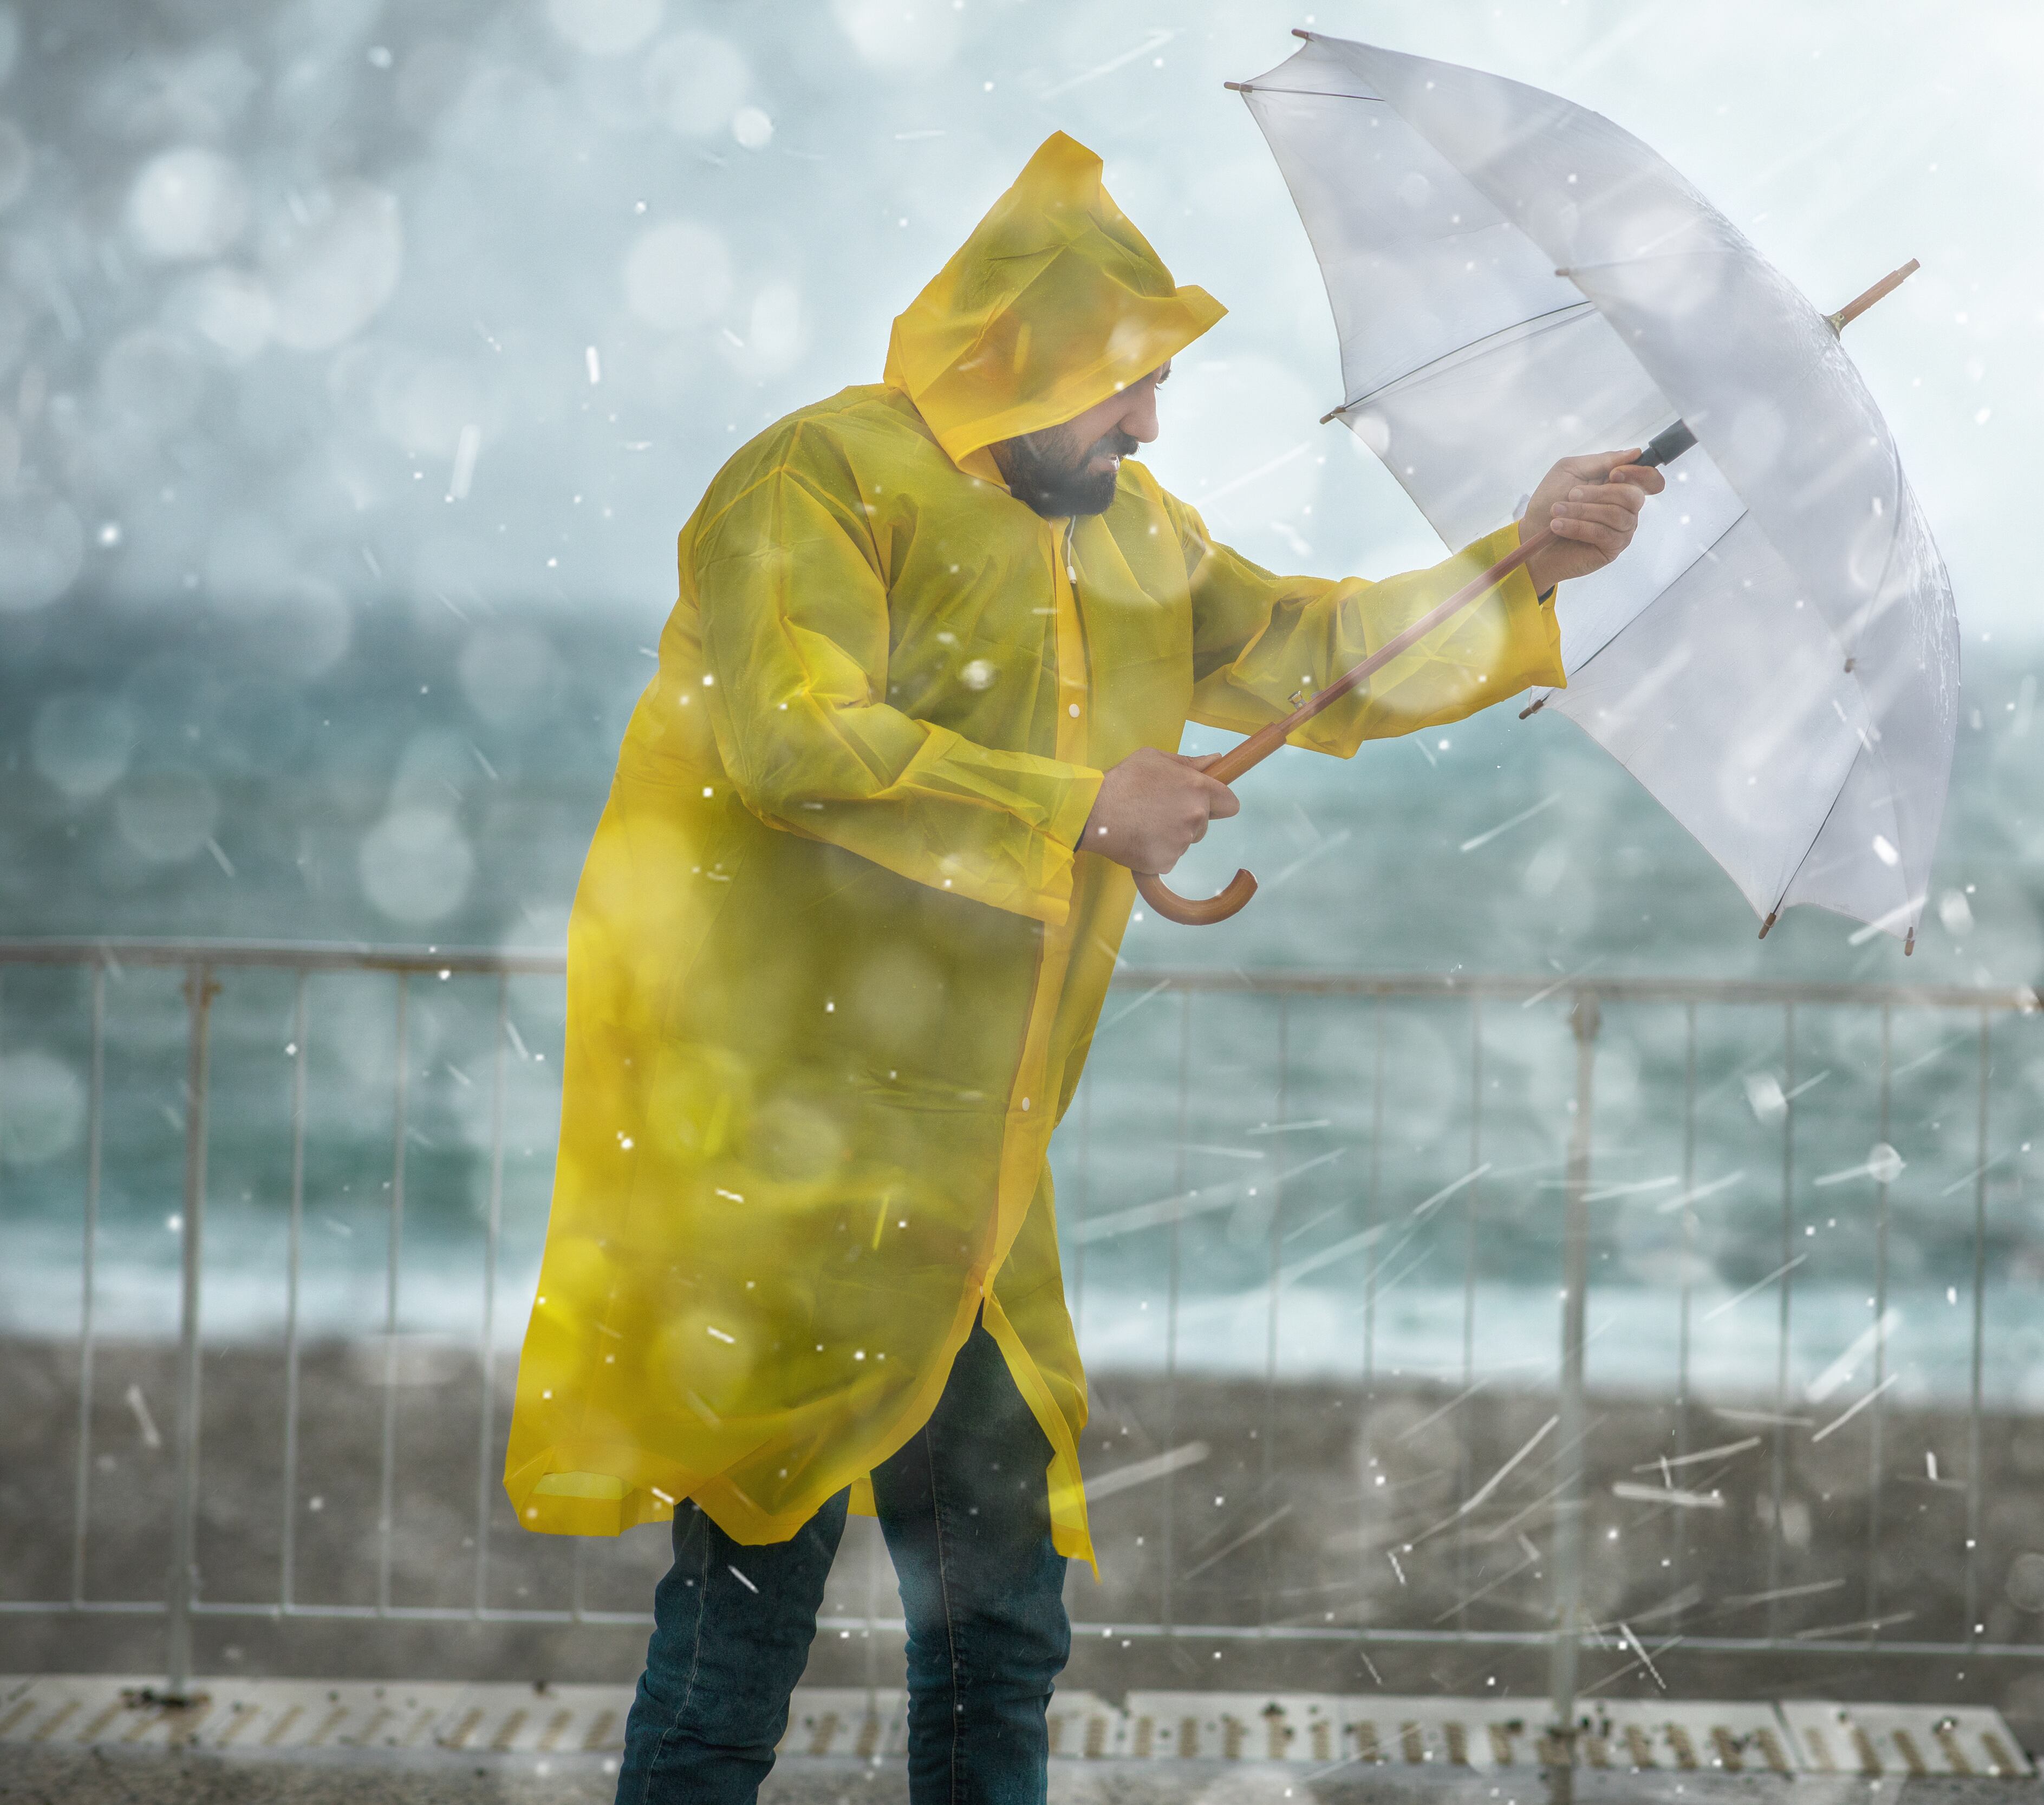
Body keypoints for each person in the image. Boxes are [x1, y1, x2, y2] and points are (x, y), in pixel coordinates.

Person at [503, 131, 1661, 1805]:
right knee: (741, 1619)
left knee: (1000, 1632)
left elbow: (1325, 653)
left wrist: (1524, 558)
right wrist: (1077, 803)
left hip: (975, 1190)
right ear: (1015, 359)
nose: (1148, 423)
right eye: (1125, 383)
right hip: (788, 1166)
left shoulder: (1132, 534)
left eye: (1163, 385)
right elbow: (793, 741)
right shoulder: (818, 480)